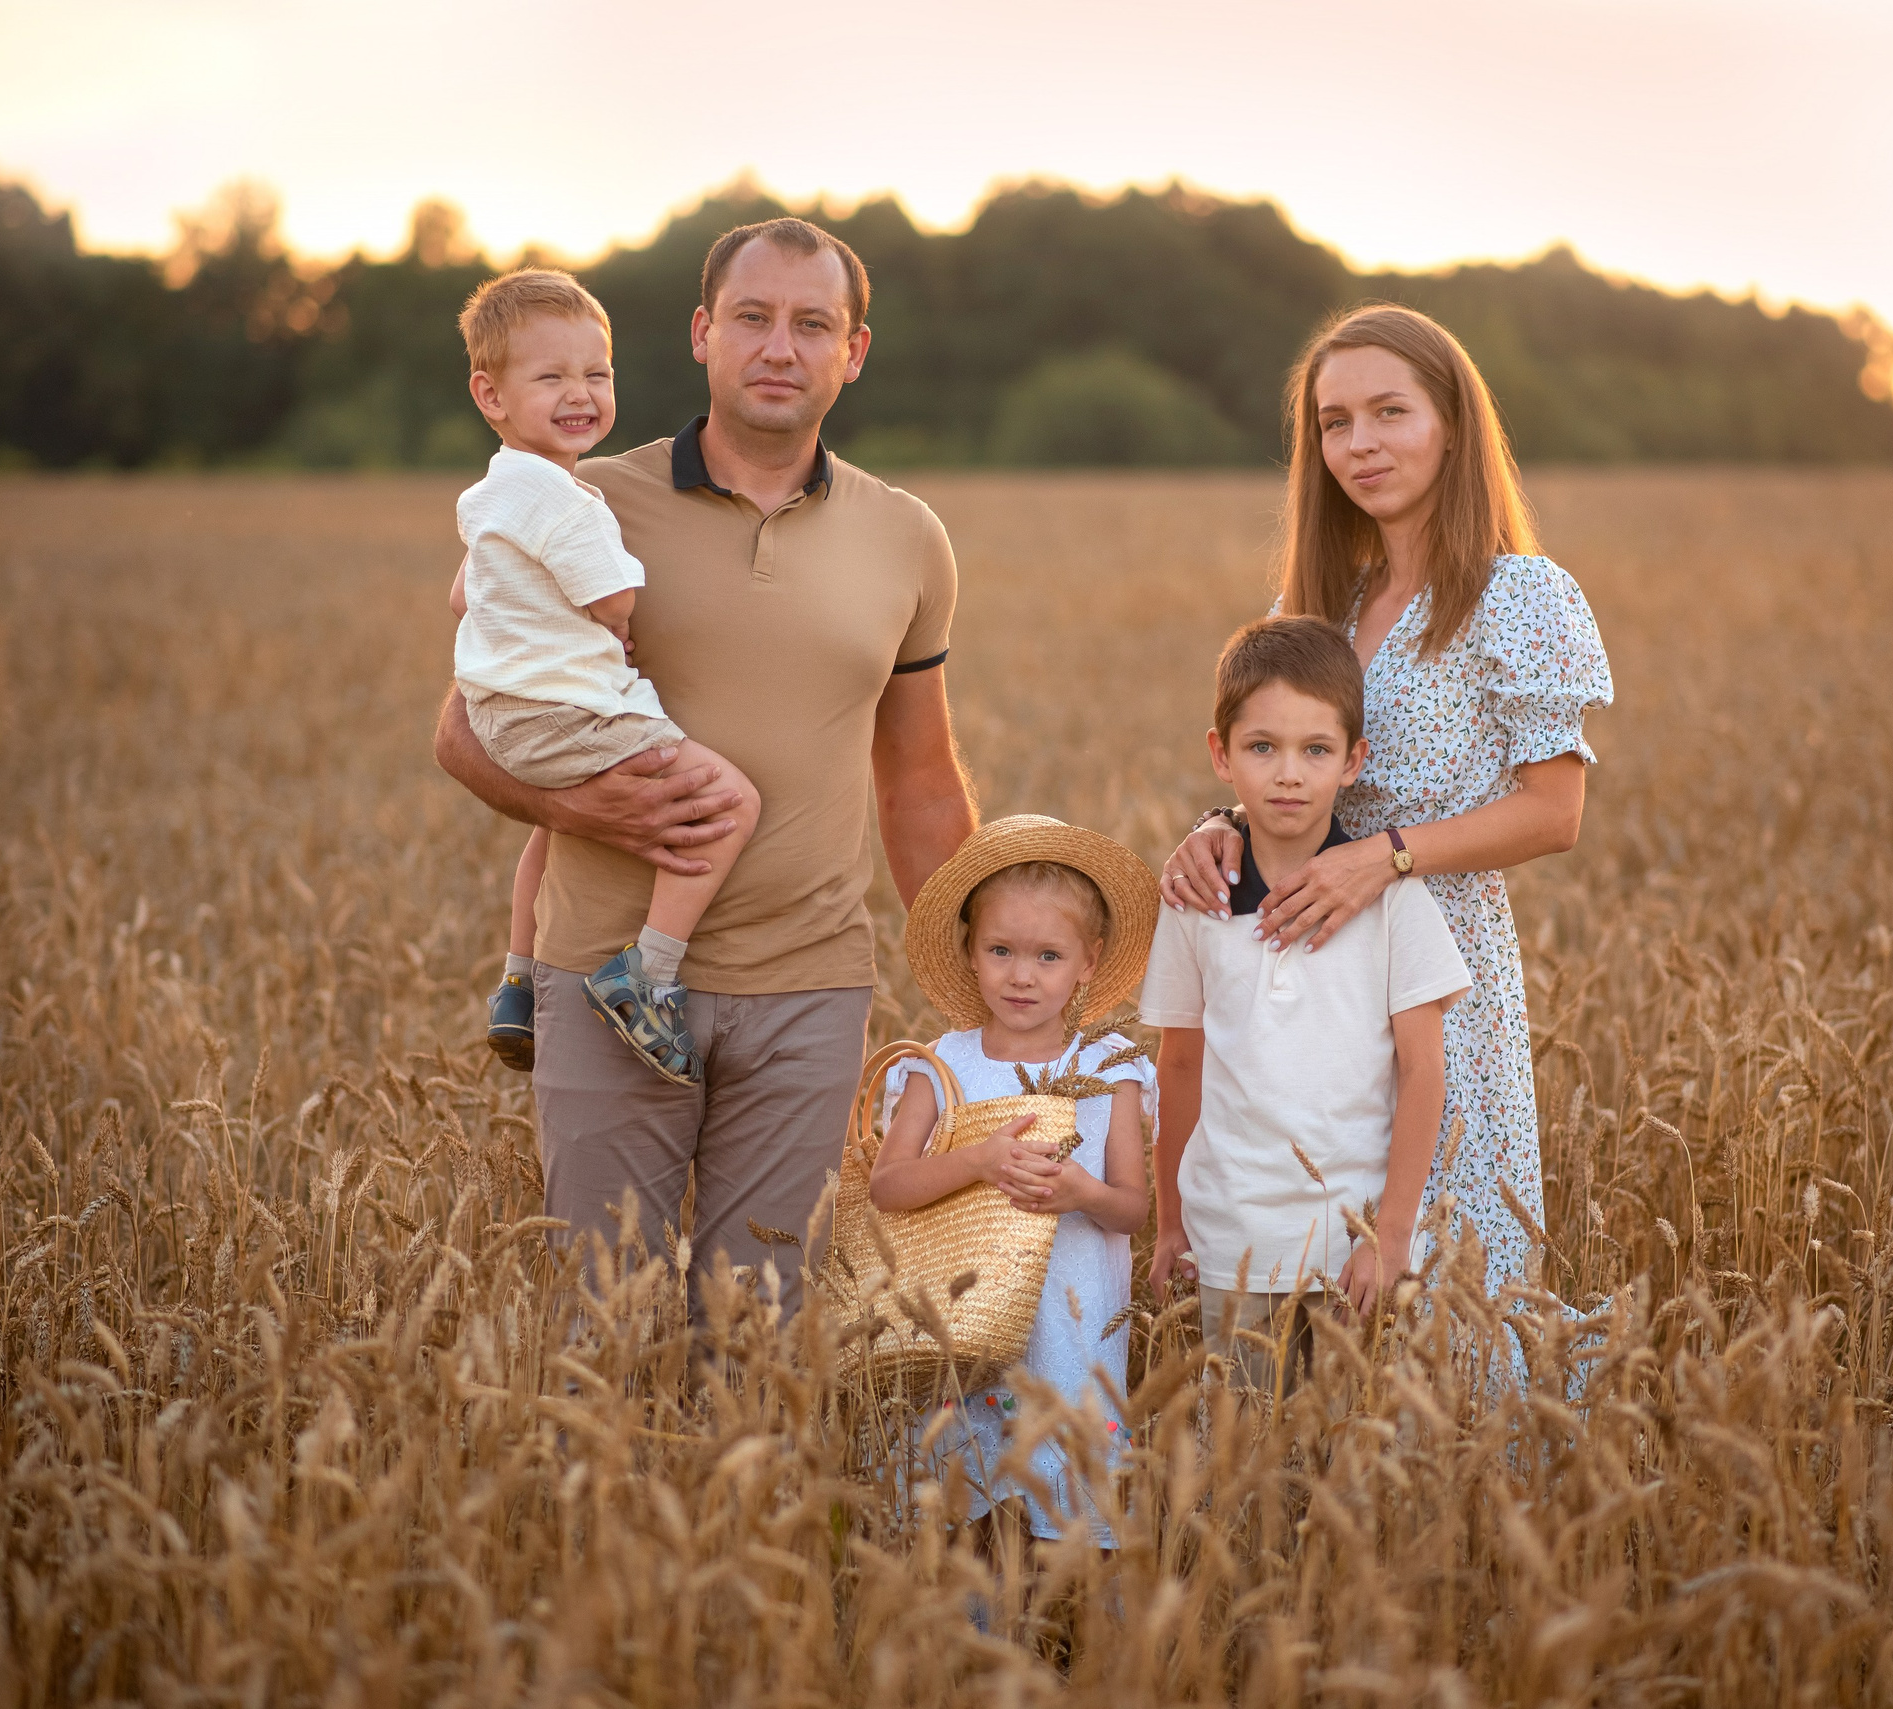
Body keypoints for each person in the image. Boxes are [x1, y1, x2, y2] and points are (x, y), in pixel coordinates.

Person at [433, 218, 978, 1316]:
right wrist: (579, 804)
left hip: (810, 986)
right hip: (603, 974)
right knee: (606, 1323)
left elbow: (919, 775)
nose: (780, 346)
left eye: (811, 324)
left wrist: (973, 982)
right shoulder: (582, 498)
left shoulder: (908, 535)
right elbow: (461, 727)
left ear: (852, 350)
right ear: (701, 334)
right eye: (753, 318)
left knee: (760, 1325)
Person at [1159, 304, 1612, 1302]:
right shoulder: (1323, 602)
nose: (1358, 444)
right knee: (1302, 1273)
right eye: (1333, 422)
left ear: (1451, 424)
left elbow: (1553, 811)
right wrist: (1212, 831)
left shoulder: (1518, 594)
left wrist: (1385, 854)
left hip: (1437, 971)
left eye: (1388, 413)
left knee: (1440, 1289)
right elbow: (1279, 774)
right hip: (1303, 966)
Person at [444, 268, 761, 1086]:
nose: (579, 392)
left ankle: (518, 977)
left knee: (553, 829)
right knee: (730, 803)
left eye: (596, 374)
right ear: (492, 394)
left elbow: (462, 595)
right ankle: (648, 972)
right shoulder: (568, 500)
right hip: (570, 711)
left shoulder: (489, 494)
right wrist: (620, 617)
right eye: (550, 377)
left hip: (506, 716)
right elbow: (617, 597)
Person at [1142, 618, 1471, 1390]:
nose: (1288, 773)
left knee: (1349, 1473)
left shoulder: (1395, 901)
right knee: (1239, 1464)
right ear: (1221, 756)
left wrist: (1391, 1238)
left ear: (1354, 760)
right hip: (1229, 1245)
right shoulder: (1197, 901)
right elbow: (1179, 1064)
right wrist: (1169, 1223)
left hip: (1350, 1255)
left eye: (1315, 750)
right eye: (1262, 747)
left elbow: (1423, 1072)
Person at [868, 816, 1159, 1546]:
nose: (1022, 974)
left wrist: (1081, 1193)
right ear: (970, 952)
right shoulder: (943, 1065)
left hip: (1073, 1317)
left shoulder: (1111, 1068)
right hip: (962, 1324)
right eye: (1000, 950)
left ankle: (1079, 1642)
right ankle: (978, 1638)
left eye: (1048, 955)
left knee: (1071, 1498)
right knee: (968, 1504)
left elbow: (1131, 1206)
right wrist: (976, 1159)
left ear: (1088, 963)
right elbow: (888, 1184)